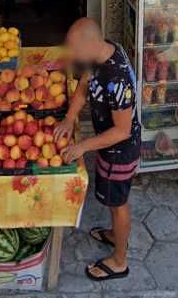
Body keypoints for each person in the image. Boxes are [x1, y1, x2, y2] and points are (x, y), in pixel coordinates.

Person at [57, 17, 140, 282]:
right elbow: (83, 87)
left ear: (90, 44)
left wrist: (82, 146)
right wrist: (70, 117)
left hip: (120, 149)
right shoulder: (100, 53)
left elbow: (122, 131)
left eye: (74, 49)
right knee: (111, 198)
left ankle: (119, 261)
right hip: (107, 145)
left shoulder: (117, 80)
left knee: (118, 204)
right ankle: (116, 235)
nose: (72, 55)